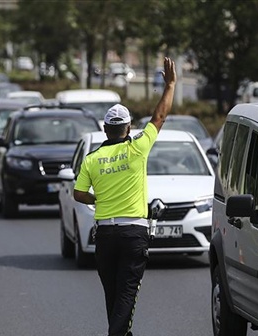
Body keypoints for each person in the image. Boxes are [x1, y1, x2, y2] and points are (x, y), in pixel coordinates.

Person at [73, 57, 176, 336]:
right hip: (133, 234)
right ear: (128, 128)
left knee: (113, 295)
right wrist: (170, 85)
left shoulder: (93, 159)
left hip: (105, 235)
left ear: (105, 129)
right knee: (126, 296)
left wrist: (99, 200)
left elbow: (78, 193)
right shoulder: (138, 149)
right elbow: (159, 117)